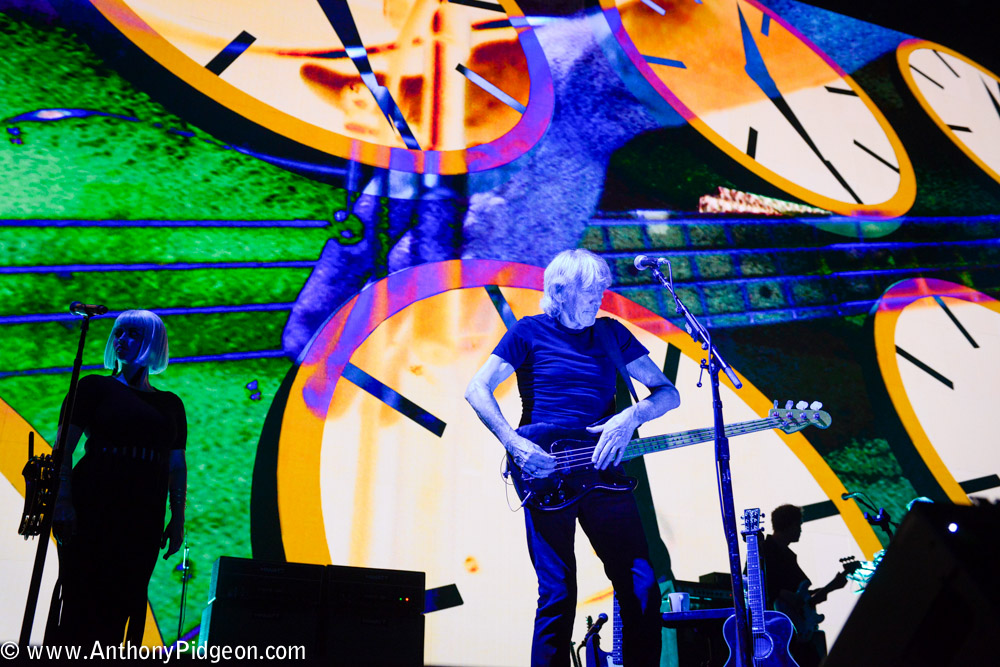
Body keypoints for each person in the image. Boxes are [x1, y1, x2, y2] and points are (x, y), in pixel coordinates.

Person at [465, 249, 680, 667]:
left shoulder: (611, 334)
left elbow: (667, 392)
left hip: (603, 472)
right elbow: (477, 389)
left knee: (641, 586)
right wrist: (516, 445)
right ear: (560, 291)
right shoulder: (527, 332)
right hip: (546, 471)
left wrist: (631, 416)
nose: (599, 296)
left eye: (602, 288)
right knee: (558, 590)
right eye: (590, 289)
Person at [49, 309, 187, 647]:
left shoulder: (171, 405)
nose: (121, 340)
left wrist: (178, 516)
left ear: (152, 343)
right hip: (95, 502)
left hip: (143, 514)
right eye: (119, 333)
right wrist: (63, 500)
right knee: (82, 598)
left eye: (133, 335)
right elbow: (63, 447)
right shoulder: (94, 387)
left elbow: (177, 465)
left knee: (124, 602)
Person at [761, 504, 848, 667]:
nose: (800, 530)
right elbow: (753, 582)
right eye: (798, 525)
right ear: (788, 524)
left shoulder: (789, 555)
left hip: (795, 628)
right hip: (776, 628)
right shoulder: (764, 550)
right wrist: (781, 593)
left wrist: (832, 587)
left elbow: (802, 598)